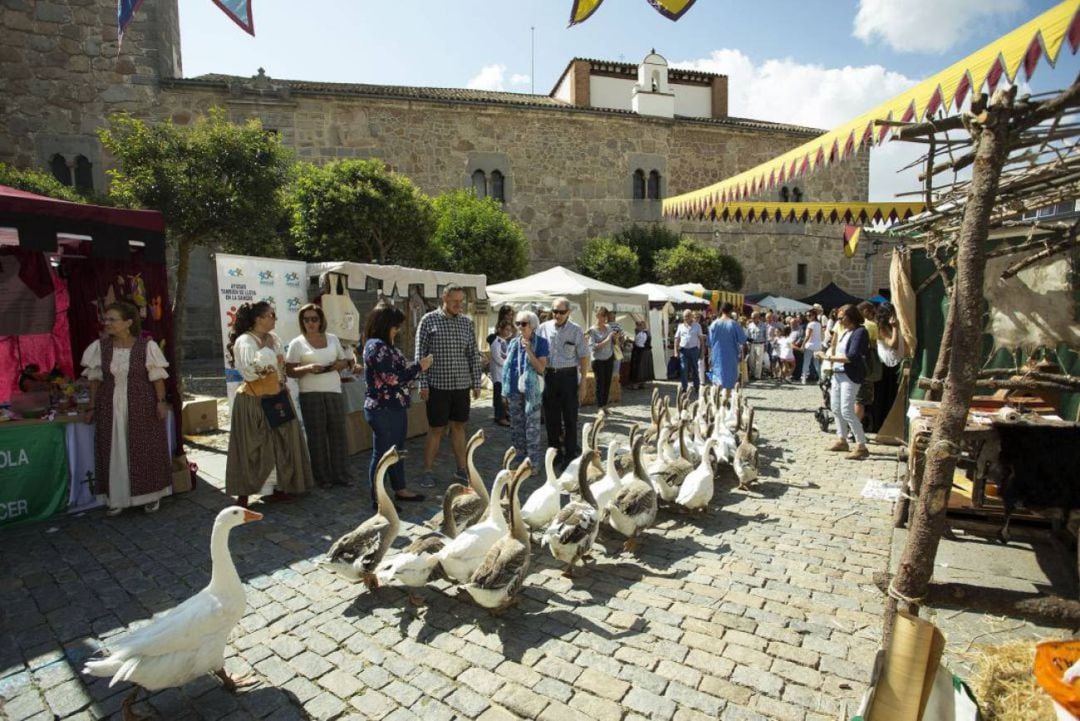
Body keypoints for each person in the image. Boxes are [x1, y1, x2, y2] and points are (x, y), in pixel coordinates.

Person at [81, 301, 172, 516]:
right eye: (106, 319)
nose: (107, 323)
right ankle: (118, 496)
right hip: (109, 405)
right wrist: (92, 406)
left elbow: (158, 378)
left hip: (141, 404)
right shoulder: (100, 347)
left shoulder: (146, 347)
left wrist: (160, 402)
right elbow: (95, 380)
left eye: (112, 319)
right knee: (113, 449)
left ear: (128, 322)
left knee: (144, 448)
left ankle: (150, 495)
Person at [225, 301, 313, 508]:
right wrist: (266, 357)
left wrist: (281, 383)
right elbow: (250, 371)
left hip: (277, 397)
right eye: (271, 315)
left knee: (281, 442)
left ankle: (279, 487)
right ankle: (245, 492)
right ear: (258, 319)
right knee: (253, 445)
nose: (274, 318)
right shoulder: (245, 341)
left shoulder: (274, 338)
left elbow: (280, 368)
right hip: (254, 400)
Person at [364, 302, 433, 508]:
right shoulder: (376, 346)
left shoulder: (385, 346)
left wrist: (414, 369)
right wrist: (419, 367)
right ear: (386, 325)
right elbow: (392, 378)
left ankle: (399, 489)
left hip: (394, 406)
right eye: (396, 325)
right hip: (382, 408)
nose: (399, 329)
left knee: (397, 450)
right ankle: (378, 498)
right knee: (383, 453)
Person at [416, 284, 482, 488]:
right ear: (444, 298)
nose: (458, 305)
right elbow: (420, 355)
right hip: (438, 385)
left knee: (459, 426)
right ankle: (427, 471)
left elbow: (473, 354)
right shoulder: (429, 320)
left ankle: (462, 469)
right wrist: (422, 383)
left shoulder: (466, 323)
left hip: (461, 384)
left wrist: (476, 381)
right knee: (436, 429)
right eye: (454, 301)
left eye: (461, 301)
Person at [285, 303, 352, 488]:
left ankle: (342, 476)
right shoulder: (297, 343)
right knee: (317, 437)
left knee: (338, 435)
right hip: (311, 394)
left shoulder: (332, 339)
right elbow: (289, 371)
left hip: (334, 391)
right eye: (306, 319)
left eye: (314, 319)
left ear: (321, 320)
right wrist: (306, 368)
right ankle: (322, 478)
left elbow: (343, 360)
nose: (310, 323)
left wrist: (339, 365)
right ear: (302, 321)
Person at [537, 297, 589, 470]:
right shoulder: (543, 328)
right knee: (551, 418)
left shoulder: (576, 331)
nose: (557, 315)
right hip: (550, 376)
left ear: (568, 312)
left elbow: (584, 356)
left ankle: (570, 454)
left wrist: (583, 383)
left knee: (570, 417)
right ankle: (555, 453)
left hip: (568, 377)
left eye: (561, 312)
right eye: (554, 311)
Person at [818, 304, 870, 460]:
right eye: (838, 318)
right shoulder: (846, 332)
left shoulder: (860, 332)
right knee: (835, 407)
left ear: (851, 316)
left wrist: (827, 358)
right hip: (838, 373)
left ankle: (861, 445)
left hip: (850, 375)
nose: (839, 320)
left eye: (842, 318)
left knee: (847, 409)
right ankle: (842, 440)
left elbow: (852, 356)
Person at [503, 311, 549, 468]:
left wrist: (529, 350)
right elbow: (507, 368)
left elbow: (541, 367)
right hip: (514, 390)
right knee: (516, 427)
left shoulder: (541, 343)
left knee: (532, 428)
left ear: (532, 325)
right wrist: (504, 391)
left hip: (532, 391)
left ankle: (533, 462)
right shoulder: (513, 343)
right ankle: (519, 458)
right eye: (517, 323)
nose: (519, 327)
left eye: (523, 324)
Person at [707, 302, 746, 400]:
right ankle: (725, 400)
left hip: (717, 355)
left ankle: (717, 400)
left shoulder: (714, 324)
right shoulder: (734, 324)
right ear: (731, 311)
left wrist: (709, 356)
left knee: (717, 377)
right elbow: (742, 339)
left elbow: (710, 342)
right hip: (731, 355)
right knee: (729, 379)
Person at [587, 307, 617, 409]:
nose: (604, 319)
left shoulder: (609, 327)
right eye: (602, 316)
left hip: (609, 358)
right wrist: (608, 339)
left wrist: (615, 339)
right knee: (600, 384)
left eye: (605, 316)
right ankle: (600, 406)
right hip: (598, 360)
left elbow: (613, 342)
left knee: (607, 383)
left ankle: (605, 406)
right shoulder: (592, 330)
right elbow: (593, 347)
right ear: (597, 316)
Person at [673, 309, 704, 397]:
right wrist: (675, 351)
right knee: (683, 369)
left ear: (691, 316)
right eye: (684, 317)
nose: (686, 318)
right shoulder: (680, 326)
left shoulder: (697, 326)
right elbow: (677, 339)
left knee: (695, 369)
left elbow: (701, 340)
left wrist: (702, 352)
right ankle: (684, 388)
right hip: (683, 350)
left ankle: (697, 386)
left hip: (694, 350)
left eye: (687, 316)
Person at [489, 320, 513, 428]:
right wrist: (508, 364)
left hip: (505, 374)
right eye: (506, 329)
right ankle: (500, 417)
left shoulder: (505, 342)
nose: (508, 332)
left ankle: (503, 414)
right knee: (499, 396)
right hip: (499, 374)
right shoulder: (496, 342)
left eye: (509, 329)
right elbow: (498, 358)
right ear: (501, 329)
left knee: (504, 396)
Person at [801, 308, 824, 384]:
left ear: (814, 316)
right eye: (807, 315)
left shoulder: (810, 324)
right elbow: (821, 335)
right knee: (817, 363)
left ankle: (804, 378)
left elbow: (807, 336)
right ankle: (821, 379)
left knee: (806, 362)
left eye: (809, 315)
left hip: (810, 345)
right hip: (818, 345)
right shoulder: (819, 324)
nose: (808, 317)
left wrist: (803, 344)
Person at [628, 319, 653, 390]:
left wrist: (632, 343)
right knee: (644, 369)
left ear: (641, 326)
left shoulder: (641, 334)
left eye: (638, 326)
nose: (636, 328)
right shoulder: (647, 332)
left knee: (638, 369)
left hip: (640, 353)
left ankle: (636, 385)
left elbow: (639, 344)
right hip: (646, 352)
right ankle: (642, 384)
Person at [746, 312, 768, 381]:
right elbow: (748, 335)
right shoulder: (750, 325)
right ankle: (752, 373)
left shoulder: (763, 325)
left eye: (754, 318)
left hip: (760, 344)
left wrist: (766, 345)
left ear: (758, 317)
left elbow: (766, 336)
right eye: (752, 318)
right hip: (752, 344)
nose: (752, 319)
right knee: (751, 360)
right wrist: (748, 344)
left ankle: (757, 376)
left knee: (759, 360)